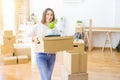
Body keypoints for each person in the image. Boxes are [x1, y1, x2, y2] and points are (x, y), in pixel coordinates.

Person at [32, 8, 59, 80]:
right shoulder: (38, 26)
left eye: (51, 15)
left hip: (52, 55)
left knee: (47, 78)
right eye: (47, 14)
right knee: (46, 78)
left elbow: (57, 39)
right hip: (41, 55)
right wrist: (34, 38)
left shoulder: (55, 28)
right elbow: (29, 35)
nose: (49, 16)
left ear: (53, 17)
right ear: (44, 15)